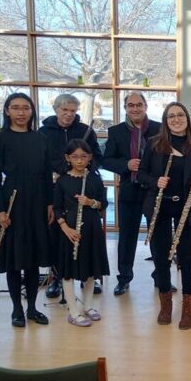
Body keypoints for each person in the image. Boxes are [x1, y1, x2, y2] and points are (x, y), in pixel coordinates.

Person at [138, 101, 191, 329]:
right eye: (171, 116)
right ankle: (165, 304)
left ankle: (188, 307)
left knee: (186, 258)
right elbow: (141, 174)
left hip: (185, 208)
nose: (176, 119)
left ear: (187, 118)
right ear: (166, 121)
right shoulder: (154, 144)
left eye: (180, 115)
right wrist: (155, 181)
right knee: (161, 256)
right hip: (159, 208)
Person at [0, 92, 52, 328]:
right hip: (12, 197)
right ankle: (17, 309)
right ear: (7, 111)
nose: (21, 112)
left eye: (25, 108)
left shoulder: (40, 138)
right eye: (15, 108)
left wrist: (49, 203)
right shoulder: (0, 139)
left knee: (34, 258)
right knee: (15, 257)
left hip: (37, 199)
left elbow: (47, 174)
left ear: (32, 111)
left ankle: (33, 308)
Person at [39, 93, 104, 298]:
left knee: (84, 235)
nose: (68, 114)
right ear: (56, 109)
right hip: (54, 187)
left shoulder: (86, 131)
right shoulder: (43, 132)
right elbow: (41, 161)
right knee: (56, 236)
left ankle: (87, 277)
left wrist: (80, 168)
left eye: (73, 111)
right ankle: (57, 278)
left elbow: (97, 158)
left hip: (81, 184)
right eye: (64, 110)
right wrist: (58, 171)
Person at [102, 92, 162, 296]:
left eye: (139, 104)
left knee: (157, 235)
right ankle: (124, 278)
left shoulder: (159, 129)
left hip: (153, 191)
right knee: (127, 237)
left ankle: (161, 277)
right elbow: (106, 160)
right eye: (130, 105)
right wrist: (125, 165)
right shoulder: (116, 131)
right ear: (125, 108)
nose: (135, 108)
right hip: (129, 190)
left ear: (145, 106)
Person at [53, 139, 109, 327]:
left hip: (92, 226)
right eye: (75, 157)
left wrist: (90, 202)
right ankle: (73, 310)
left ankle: (88, 306)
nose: (79, 161)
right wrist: (65, 228)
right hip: (69, 229)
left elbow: (103, 203)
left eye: (83, 157)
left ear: (90, 157)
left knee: (91, 268)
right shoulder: (62, 181)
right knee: (68, 271)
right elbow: (58, 208)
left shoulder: (94, 178)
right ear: (68, 158)